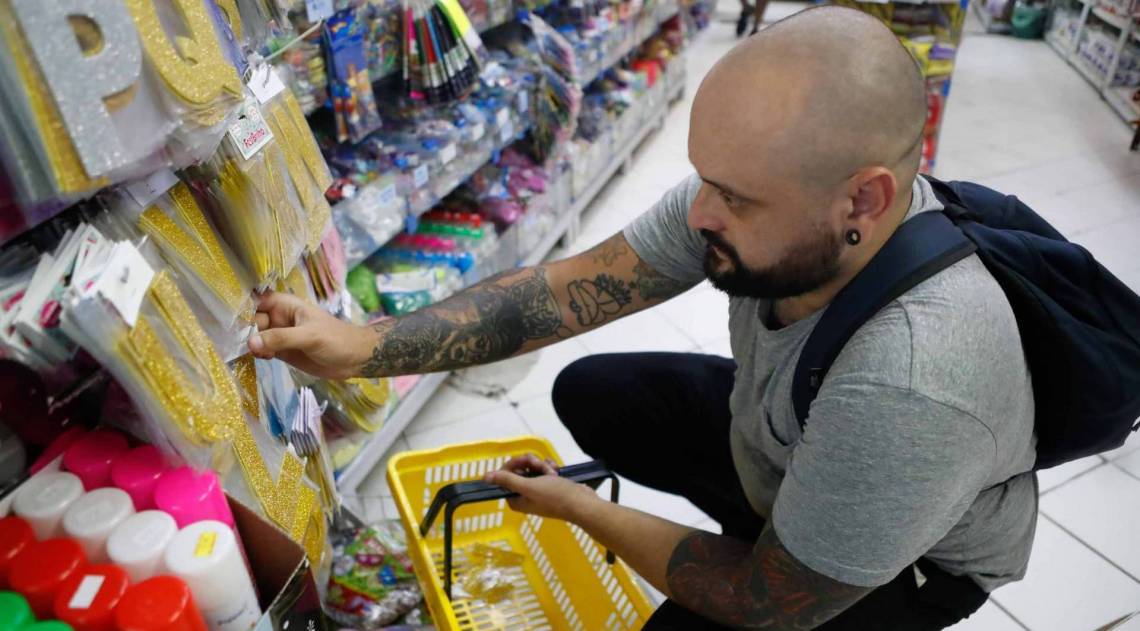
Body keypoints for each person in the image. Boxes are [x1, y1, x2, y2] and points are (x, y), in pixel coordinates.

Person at [250, 7, 1037, 629]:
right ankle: (768, 511)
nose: (699, 213)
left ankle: (796, 535)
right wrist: (360, 346)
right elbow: (561, 292)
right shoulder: (772, 201)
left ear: (863, 200)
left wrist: (582, 509)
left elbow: (767, 599)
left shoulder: (912, 382)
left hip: (908, 561)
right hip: (797, 437)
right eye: (704, 177)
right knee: (595, 391)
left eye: (734, 196)